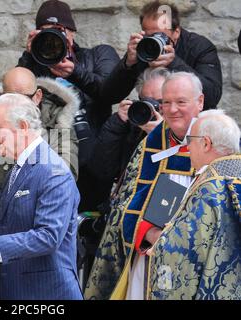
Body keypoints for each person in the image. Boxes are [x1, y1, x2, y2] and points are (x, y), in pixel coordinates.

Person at [85, 72, 203, 300]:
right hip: (145, 253)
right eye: (165, 102)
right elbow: (125, 202)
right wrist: (147, 231)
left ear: (199, 102)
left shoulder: (218, 141)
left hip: (192, 258)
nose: (172, 109)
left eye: (181, 101)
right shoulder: (149, 144)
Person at [0, 94, 83, 300]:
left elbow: (49, 237)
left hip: (48, 294)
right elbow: (20, 223)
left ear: (23, 126)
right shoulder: (19, 166)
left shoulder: (54, 172)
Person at [17, 0, 121, 213]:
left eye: (59, 31)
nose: (53, 39)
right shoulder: (34, 66)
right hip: (51, 158)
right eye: (46, 33)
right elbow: (16, 100)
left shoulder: (98, 55)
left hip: (94, 156)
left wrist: (74, 73)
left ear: (71, 32)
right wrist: (29, 56)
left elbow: (109, 92)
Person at [148, 110, 241, 300]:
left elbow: (184, 253)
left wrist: (160, 245)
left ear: (206, 143)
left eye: (191, 140)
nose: (188, 147)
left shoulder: (208, 189)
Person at [0, 67, 79, 233]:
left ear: (37, 96)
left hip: (32, 219)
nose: (15, 105)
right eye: (10, 98)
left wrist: (27, 138)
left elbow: (65, 175)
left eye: (22, 98)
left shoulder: (58, 125)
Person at [104, 0, 222, 111]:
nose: (154, 41)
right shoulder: (145, 48)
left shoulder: (199, 47)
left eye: (160, 35)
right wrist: (128, 64)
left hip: (191, 119)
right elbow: (110, 96)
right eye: (149, 35)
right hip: (153, 117)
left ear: (176, 32)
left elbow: (211, 98)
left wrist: (174, 63)